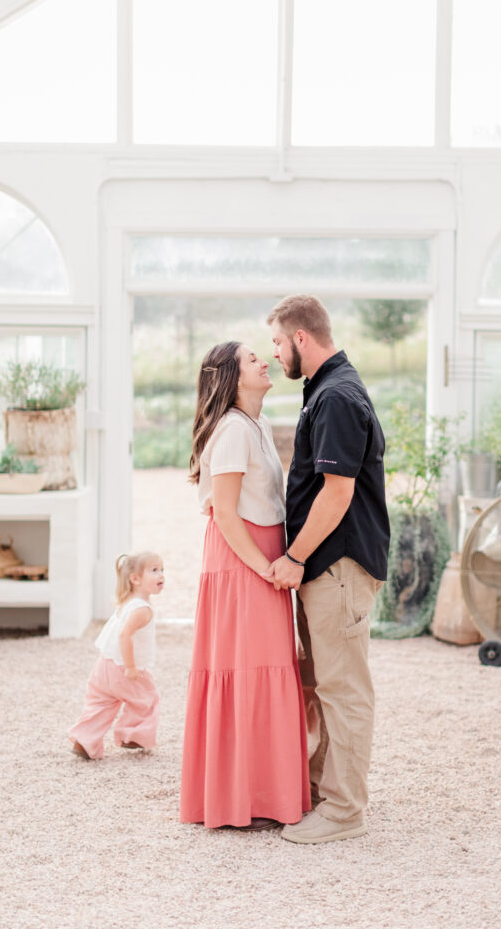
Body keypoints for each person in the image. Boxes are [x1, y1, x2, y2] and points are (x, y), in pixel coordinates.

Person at [266, 294, 390, 844]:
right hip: (327, 566)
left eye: (275, 342)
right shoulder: (325, 388)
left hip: (337, 565)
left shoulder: (337, 396)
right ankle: (322, 791)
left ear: (300, 338)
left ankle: (345, 813)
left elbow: (337, 495)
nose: (273, 355)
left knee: (343, 689)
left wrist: (294, 557)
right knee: (324, 683)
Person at [179, 341, 310, 831]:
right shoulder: (233, 429)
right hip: (242, 561)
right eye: (252, 358)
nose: (264, 361)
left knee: (267, 667)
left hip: (259, 557)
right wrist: (265, 568)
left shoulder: (253, 424)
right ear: (232, 377)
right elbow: (227, 515)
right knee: (248, 668)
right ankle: (239, 797)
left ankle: (260, 793)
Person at [69, 552, 164, 760]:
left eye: (162, 570)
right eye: (154, 570)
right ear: (135, 579)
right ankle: (133, 736)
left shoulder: (127, 601)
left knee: (101, 703)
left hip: (104, 664)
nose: (161, 575)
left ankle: (84, 741)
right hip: (124, 666)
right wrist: (130, 667)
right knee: (147, 699)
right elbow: (125, 635)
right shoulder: (143, 610)